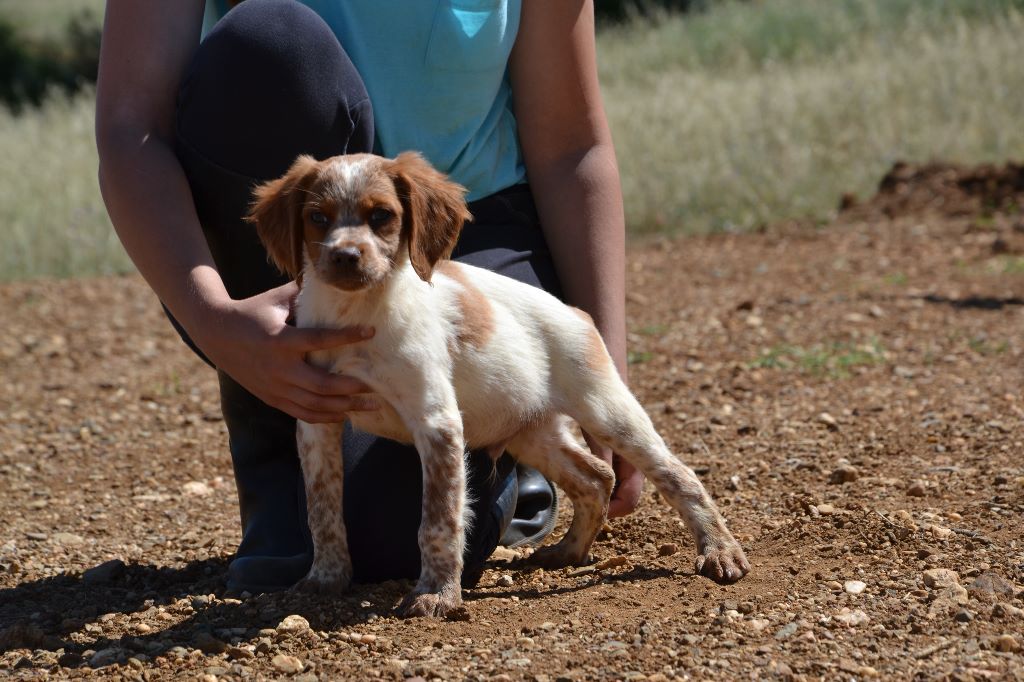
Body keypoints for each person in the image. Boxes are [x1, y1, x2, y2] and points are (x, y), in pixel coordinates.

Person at [95, 0, 643, 593]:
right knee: (271, 38)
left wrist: (600, 381)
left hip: (457, 227)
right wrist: (215, 320)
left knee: (392, 550)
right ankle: (276, 459)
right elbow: (132, 126)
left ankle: (502, 437)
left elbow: (571, 146)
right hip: (295, 238)